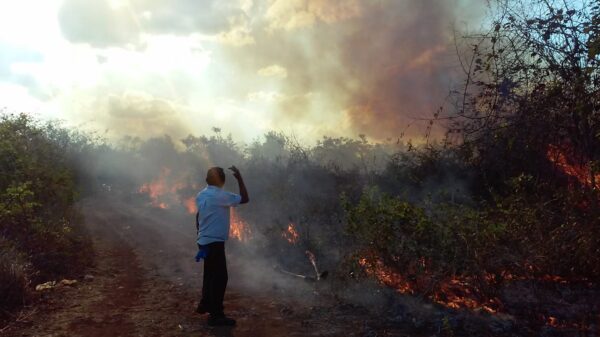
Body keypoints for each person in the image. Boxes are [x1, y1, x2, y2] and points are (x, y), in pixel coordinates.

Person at [195, 166, 249, 326]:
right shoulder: (221, 196)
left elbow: (199, 215)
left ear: (206, 180)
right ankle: (216, 315)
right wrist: (239, 178)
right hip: (213, 242)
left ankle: (205, 304)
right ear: (223, 182)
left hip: (203, 240)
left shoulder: (201, 194)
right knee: (220, 277)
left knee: (210, 274)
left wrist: (200, 231)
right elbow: (245, 198)